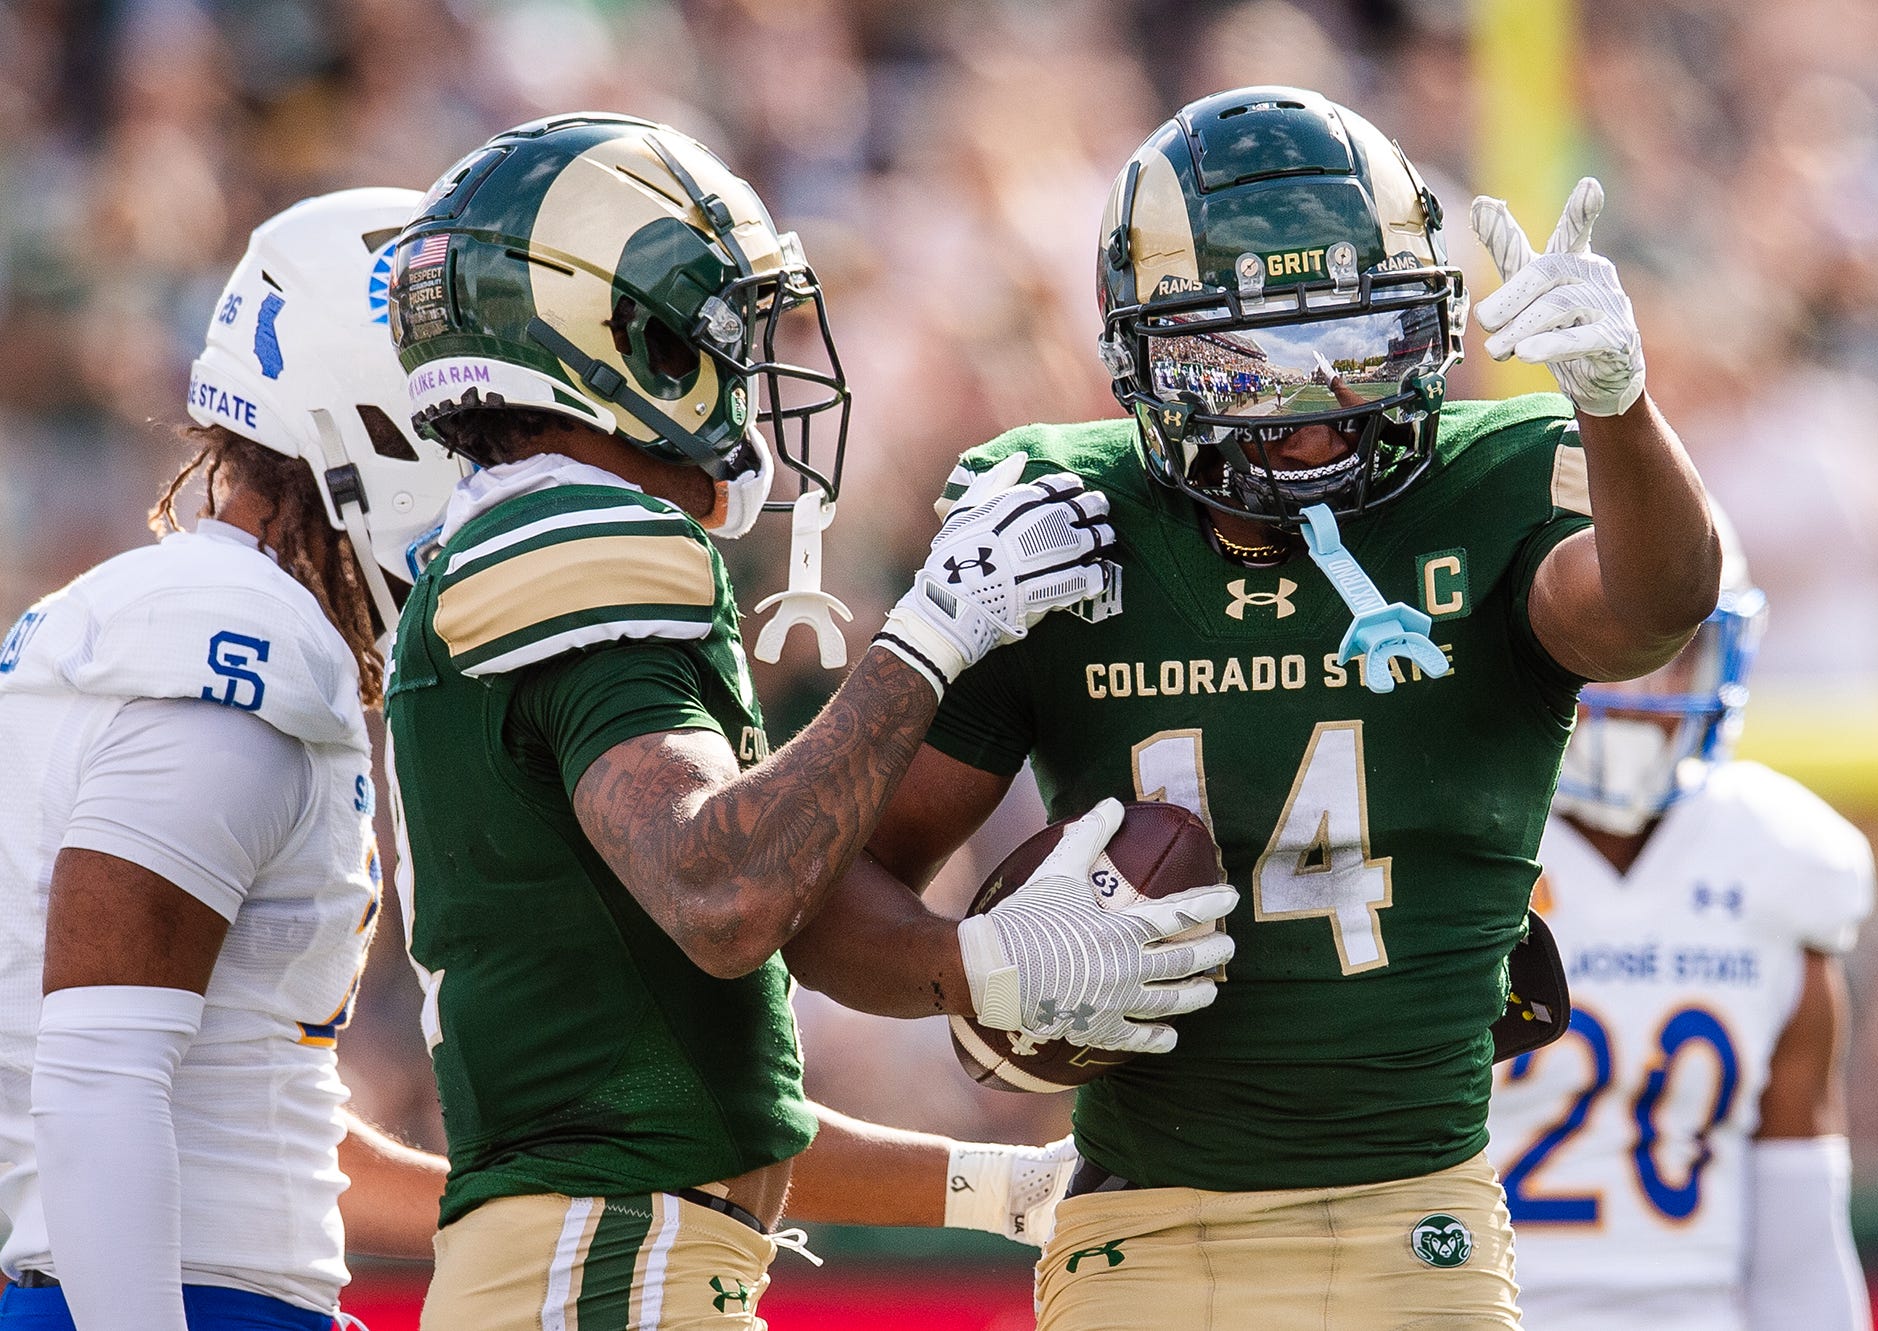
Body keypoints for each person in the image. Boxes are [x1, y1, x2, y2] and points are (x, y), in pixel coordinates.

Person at [832, 86, 1722, 1330]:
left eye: (1357, 343)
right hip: (1135, 1233)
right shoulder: (1055, 520)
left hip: (1422, 1230)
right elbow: (830, 897)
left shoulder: (1499, 478)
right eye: (1239, 358)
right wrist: (967, 962)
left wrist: (1619, 403)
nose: (1308, 413)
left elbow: (1653, 605)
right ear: (1139, 355)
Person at [380, 112, 1236, 1329]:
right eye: (723, 331)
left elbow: (682, 1098)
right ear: (618, 340)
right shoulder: (580, 532)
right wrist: (936, 631)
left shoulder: (513, 542)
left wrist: (1009, 1184)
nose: (756, 369)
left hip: (601, 1256)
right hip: (602, 1268)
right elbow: (724, 895)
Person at [0, 190, 464, 1331]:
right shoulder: (230, 652)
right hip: (164, 1295)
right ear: (380, 427)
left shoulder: (197, 614)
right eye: (479, 432)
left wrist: (513, 1211)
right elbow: (101, 1078)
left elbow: (248, 1113)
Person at [1487, 521, 1874, 1330]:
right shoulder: (1461, 840)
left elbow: (1801, 1244)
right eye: (1601, 650)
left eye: (1668, 651)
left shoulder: (1776, 857)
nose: (1636, 691)